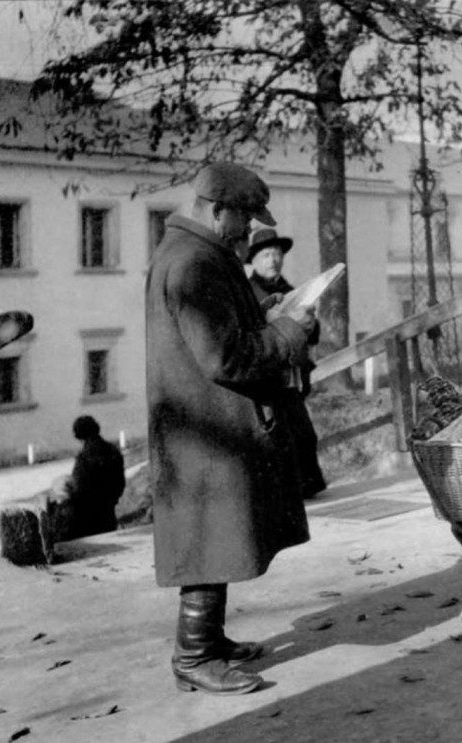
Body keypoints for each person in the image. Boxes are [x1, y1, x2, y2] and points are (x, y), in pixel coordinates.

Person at [145, 162, 316, 696]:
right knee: (207, 534)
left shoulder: (196, 254)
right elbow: (224, 356)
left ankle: (208, 640)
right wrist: (288, 334)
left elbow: (219, 331)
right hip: (205, 429)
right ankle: (193, 655)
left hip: (203, 424)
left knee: (214, 533)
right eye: (244, 218)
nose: (250, 231)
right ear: (218, 210)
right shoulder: (195, 263)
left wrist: (264, 311)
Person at [241, 227, 327, 500]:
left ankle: (305, 489)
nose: (273, 260)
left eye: (277, 254)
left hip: (293, 376)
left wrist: (311, 325)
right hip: (268, 374)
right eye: (266, 255)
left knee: (302, 434)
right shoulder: (248, 292)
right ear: (253, 260)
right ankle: (284, 494)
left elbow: (310, 334)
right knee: (276, 436)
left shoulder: (289, 289)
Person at [64, 415, 125, 538]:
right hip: (109, 509)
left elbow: (80, 488)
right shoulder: (112, 450)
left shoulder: (85, 456)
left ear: (79, 435)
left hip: (89, 515)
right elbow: (120, 482)